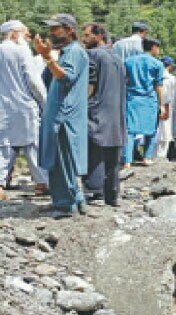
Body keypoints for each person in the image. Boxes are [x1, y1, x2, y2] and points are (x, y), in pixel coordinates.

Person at [35, 14, 89, 217]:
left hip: (63, 117)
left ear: (69, 30)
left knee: (61, 163)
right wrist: (47, 57)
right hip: (59, 114)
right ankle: (75, 200)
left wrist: (47, 58)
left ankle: (65, 206)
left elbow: (65, 77)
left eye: (55, 28)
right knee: (63, 161)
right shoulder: (66, 52)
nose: (51, 33)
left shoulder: (74, 51)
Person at [0, 20, 48, 200]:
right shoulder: (21, 50)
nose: (28, 38)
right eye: (25, 34)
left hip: (2, 107)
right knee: (33, 144)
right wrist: (45, 103)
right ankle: (42, 183)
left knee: (4, 147)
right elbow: (33, 81)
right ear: (14, 34)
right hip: (23, 105)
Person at [81, 22, 125, 206]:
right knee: (112, 156)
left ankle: (94, 191)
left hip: (96, 112)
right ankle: (111, 195)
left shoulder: (92, 55)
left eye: (87, 35)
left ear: (98, 36)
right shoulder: (117, 59)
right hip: (116, 114)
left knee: (94, 151)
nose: (83, 39)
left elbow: (90, 86)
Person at [123, 38, 164, 168]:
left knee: (129, 130)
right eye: (157, 47)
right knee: (151, 130)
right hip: (149, 99)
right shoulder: (157, 64)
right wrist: (161, 104)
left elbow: (124, 81)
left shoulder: (128, 61)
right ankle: (147, 157)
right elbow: (158, 85)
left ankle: (127, 161)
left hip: (132, 98)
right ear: (153, 47)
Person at [154, 56, 175, 161]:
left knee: (155, 133)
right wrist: (165, 108)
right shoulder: (170, 78)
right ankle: (161, 157)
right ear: (170, 66)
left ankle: (152, 156)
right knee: (165, 134)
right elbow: (170, 96)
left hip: (154, 107)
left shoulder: (153, 76)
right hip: (166, 107)